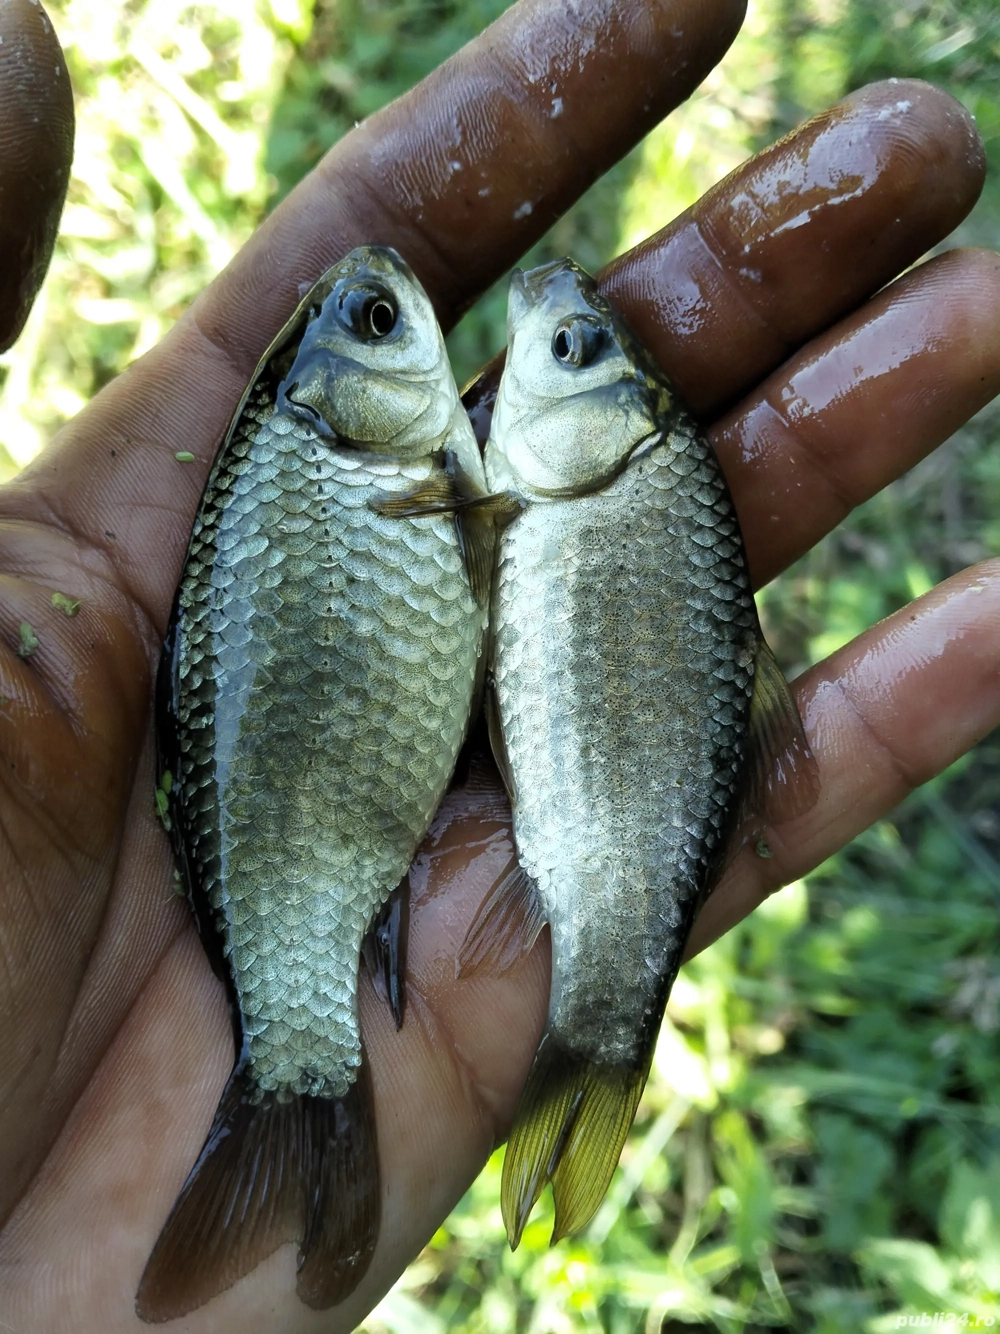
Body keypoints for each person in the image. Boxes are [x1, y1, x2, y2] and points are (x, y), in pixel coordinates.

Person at [0, 0, 998, 1329]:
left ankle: (440, 1075)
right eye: (378, 325)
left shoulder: (447, 485)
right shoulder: (399, 482)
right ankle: (302, 1073)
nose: (400, 317)